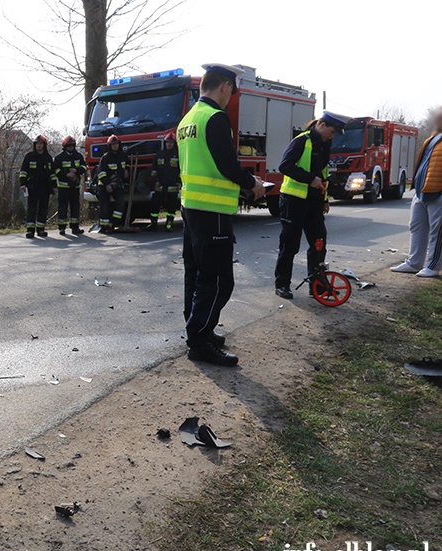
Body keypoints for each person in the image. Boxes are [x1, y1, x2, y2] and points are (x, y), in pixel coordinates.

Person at [177, 63, 265, 366]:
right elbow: (227, 165)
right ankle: (200, 341)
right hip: (212, 210)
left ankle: (197, 330)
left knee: (196, 274)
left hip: (191, 207)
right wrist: (253, 183)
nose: (231, 98)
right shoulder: (215, 118)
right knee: (217, 280)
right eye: (233, 91)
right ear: (225, 86)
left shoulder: (188, 119)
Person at [273, 112, 348, 299]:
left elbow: (323, 173)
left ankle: (317, 287)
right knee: (290, 245)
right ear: (321, 125)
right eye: (332, 132)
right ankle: (282, 284)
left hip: (314, 203)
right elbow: (284, 166)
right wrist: (310, 179)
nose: (333, 136)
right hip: (293, 201)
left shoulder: (325, 144)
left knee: (318, 244)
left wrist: (324, 199)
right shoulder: (301, 141)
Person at [391, 107, 442, 278]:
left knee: (438, 231)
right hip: (421, 190)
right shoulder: (433, 138)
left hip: (438, 192)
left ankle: (433, 266)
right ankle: (414, 263)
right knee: (416, 226)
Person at [19, 135, 57, 239]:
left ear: (44, 146)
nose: (39, 146)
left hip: (45, 188)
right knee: (32, 209)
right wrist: (23, 184)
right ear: (34, 145)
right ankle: (30, 230)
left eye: (41, 144)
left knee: (43, 209)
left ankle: (41, 229)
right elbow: (23, 171)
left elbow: (52, 174)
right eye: (37, 144)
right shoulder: (29, 156)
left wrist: (54, 186)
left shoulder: (48, 158)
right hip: (32, 187)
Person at [53, 136, 87, 235]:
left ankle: (75, 227)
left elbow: (84, 167)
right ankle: (62, 228)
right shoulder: (59, 157)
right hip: (63, 187)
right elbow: (56, 170)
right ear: (65, 146)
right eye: (68, 145)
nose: (71, 147)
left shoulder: (78, 156)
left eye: (72, 145)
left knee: (75, 207)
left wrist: (77, 170)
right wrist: (67, 173)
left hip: (75, 187)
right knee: (62, 207)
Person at [96, 135, 130, 233]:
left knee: (120, 203)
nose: (115, 146)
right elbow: (101, 173)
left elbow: (127, 164)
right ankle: (104, 226)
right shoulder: (105, 158)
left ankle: (114, 223)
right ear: (109, 146)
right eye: (113, 144)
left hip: (117, 184)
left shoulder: (123, 156)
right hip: (104, 185)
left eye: (116, 144)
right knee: (105, 205)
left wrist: (127, 170)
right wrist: (107, 184)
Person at [149, 133, 181, 232]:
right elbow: (154, 170)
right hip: (160, 185)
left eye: (171, 142)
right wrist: (156, 181)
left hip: (173, 186)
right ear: (165, 143)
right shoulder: (159, 154)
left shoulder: (178, 155)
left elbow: (181, 170)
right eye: (167, 142)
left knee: (171, 207)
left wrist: (179, 182)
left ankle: (169, 225)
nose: (169, 144)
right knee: (155, 205)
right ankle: (153, 224)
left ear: (174, 143)